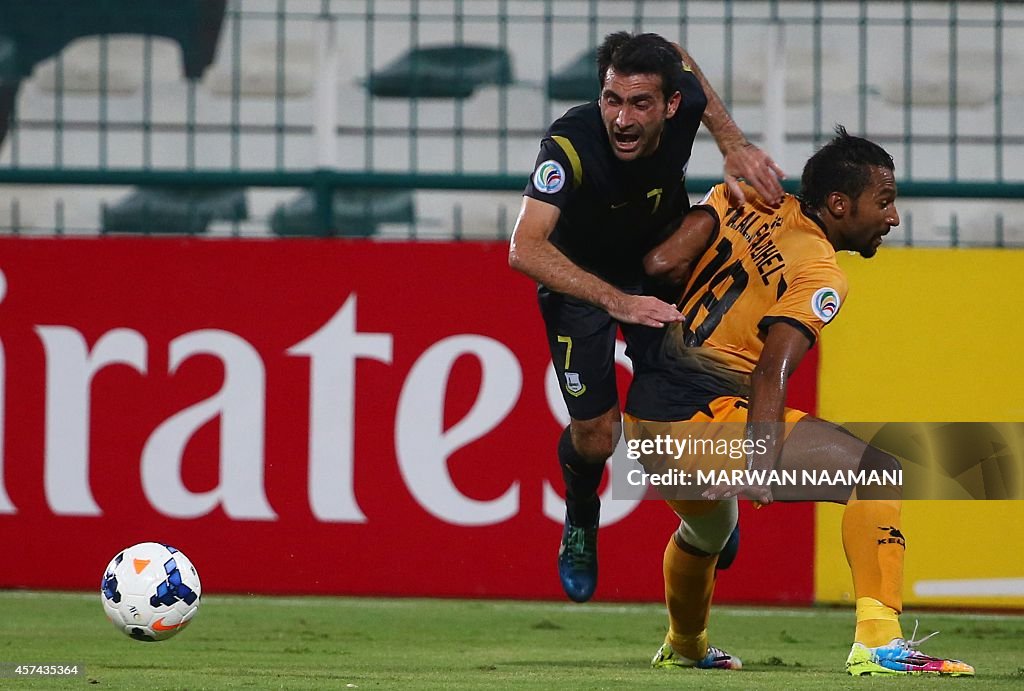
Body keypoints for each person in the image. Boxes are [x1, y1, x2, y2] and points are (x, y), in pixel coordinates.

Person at [623, 126, 975, 676]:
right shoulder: (819, 270)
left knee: (709, 530)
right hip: (703, 417)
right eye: (884, 202)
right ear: (839, 203)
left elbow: (662, 264)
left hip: (644, 421)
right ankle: (879, 644)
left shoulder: (743, 198)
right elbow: (772, 369)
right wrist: (761, 465)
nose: (893, 218)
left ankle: (685, 646)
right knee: (877, 474)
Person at [507, 31, 784, 603]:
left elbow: (678, 52)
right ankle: (582, 513)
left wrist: (731, 140)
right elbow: (524, 249)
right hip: (582, 283)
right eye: (613, 100)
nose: (623, 119)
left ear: (672, 104)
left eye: (640, 103)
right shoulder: (571, 145)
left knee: (684, 406)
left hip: (660, 269)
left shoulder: (686, 104)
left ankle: (711, 517)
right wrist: (616, 301)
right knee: (597, 435)